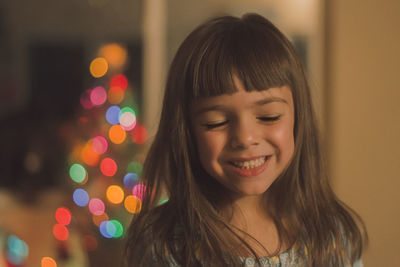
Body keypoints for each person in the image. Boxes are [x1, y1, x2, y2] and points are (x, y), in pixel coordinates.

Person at [124, 13, 367, 266]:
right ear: (186, 131)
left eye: (269, 116)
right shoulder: (165, 246)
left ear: (298, 118)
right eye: (216, 122)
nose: (245, 138)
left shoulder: (331, 236)